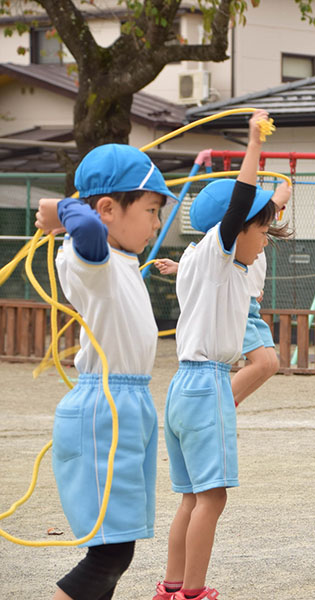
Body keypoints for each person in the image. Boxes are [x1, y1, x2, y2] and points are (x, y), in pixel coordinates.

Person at [153, 110, 289, 600]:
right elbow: (238, 208)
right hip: (206, 384)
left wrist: (275, 199)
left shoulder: (198, 260)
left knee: (192, 498)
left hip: (183, 388)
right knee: (212, 498)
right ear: (232, 231)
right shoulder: (217, 252)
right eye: (262, 230)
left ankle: (171, 588)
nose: (266, 238)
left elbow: (250, 213)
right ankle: (192, 592)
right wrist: (254, 143)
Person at [35, 144, 176, 599]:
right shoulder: (87, 256)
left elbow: (96, 227)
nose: (157, 223)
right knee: (109, 553)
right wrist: (63, 208)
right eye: (152, 210)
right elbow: (89, 230)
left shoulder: (121, 261)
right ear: (109, 208)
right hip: (103, 410)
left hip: (127, 406)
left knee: (118, 549)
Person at [155, 193, 288, 409]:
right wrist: (283, 190)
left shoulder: (252, 238)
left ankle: (226, 406)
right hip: (237, 308)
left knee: (271, 364)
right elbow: (207, 274)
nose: (265, 241)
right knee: (262, 362)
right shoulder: (221, 249)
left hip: (251, 304)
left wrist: (253, 290)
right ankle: (222, 406)